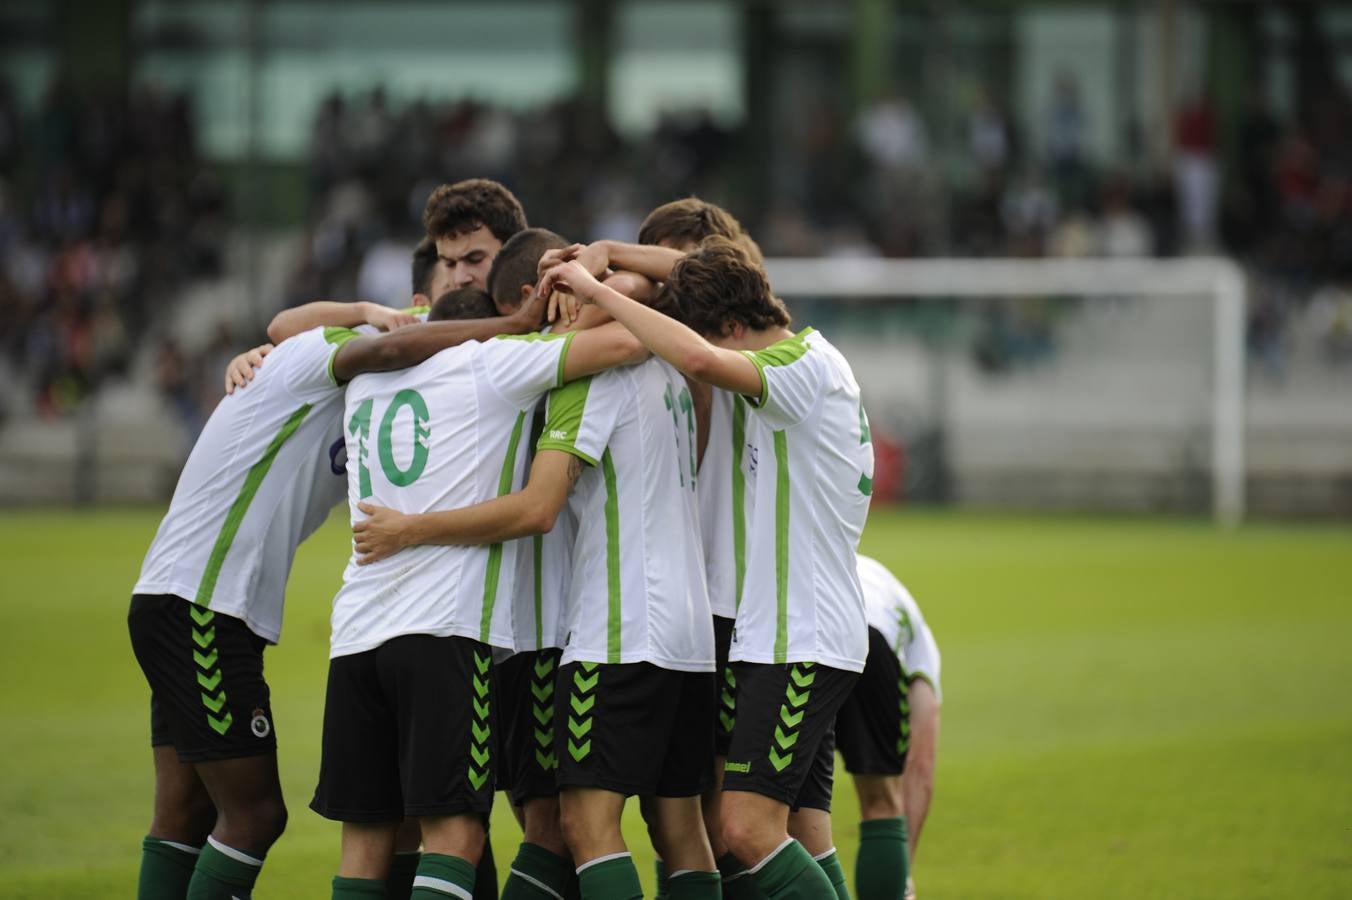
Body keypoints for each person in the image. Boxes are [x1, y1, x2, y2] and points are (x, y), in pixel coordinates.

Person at [128, 295, 545, 900]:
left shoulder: (389, 388)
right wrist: (510, 326)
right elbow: (309, 331)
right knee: (255, 816)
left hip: (184, 599)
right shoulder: (334, 354)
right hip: (203, 603)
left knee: (187, 810)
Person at [350, 246, 722, 900]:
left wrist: (411, 528)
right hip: (689, 635)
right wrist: (613, 272)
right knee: (677, 826)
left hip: (614, 631)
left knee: (577, 822)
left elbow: (538, 507)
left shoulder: (584, 380)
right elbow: (692, 278)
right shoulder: (669, 366)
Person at [538, 238, 874, 900]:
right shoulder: (804, 353)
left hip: (802, 638)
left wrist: (597, 288)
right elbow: (724, 287)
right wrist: (608, 250)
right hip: (776, 635)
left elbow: (697, 355)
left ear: (733, 329)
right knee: (755, 828)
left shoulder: (802, 369)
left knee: (747, 829)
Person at [311, 290, 650, 900]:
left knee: (365, 848)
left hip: (356, 633)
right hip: (443, 633)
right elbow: (625, 341)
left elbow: (287, 327)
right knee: (456, 839)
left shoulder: (363, 382)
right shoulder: (489, 365)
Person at [836, 555, 942, 900]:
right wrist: (903, 875)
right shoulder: (917, 634)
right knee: (881, 800)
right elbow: (920, 765)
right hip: (869, 635)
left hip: (789, 632)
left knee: (784, 813)